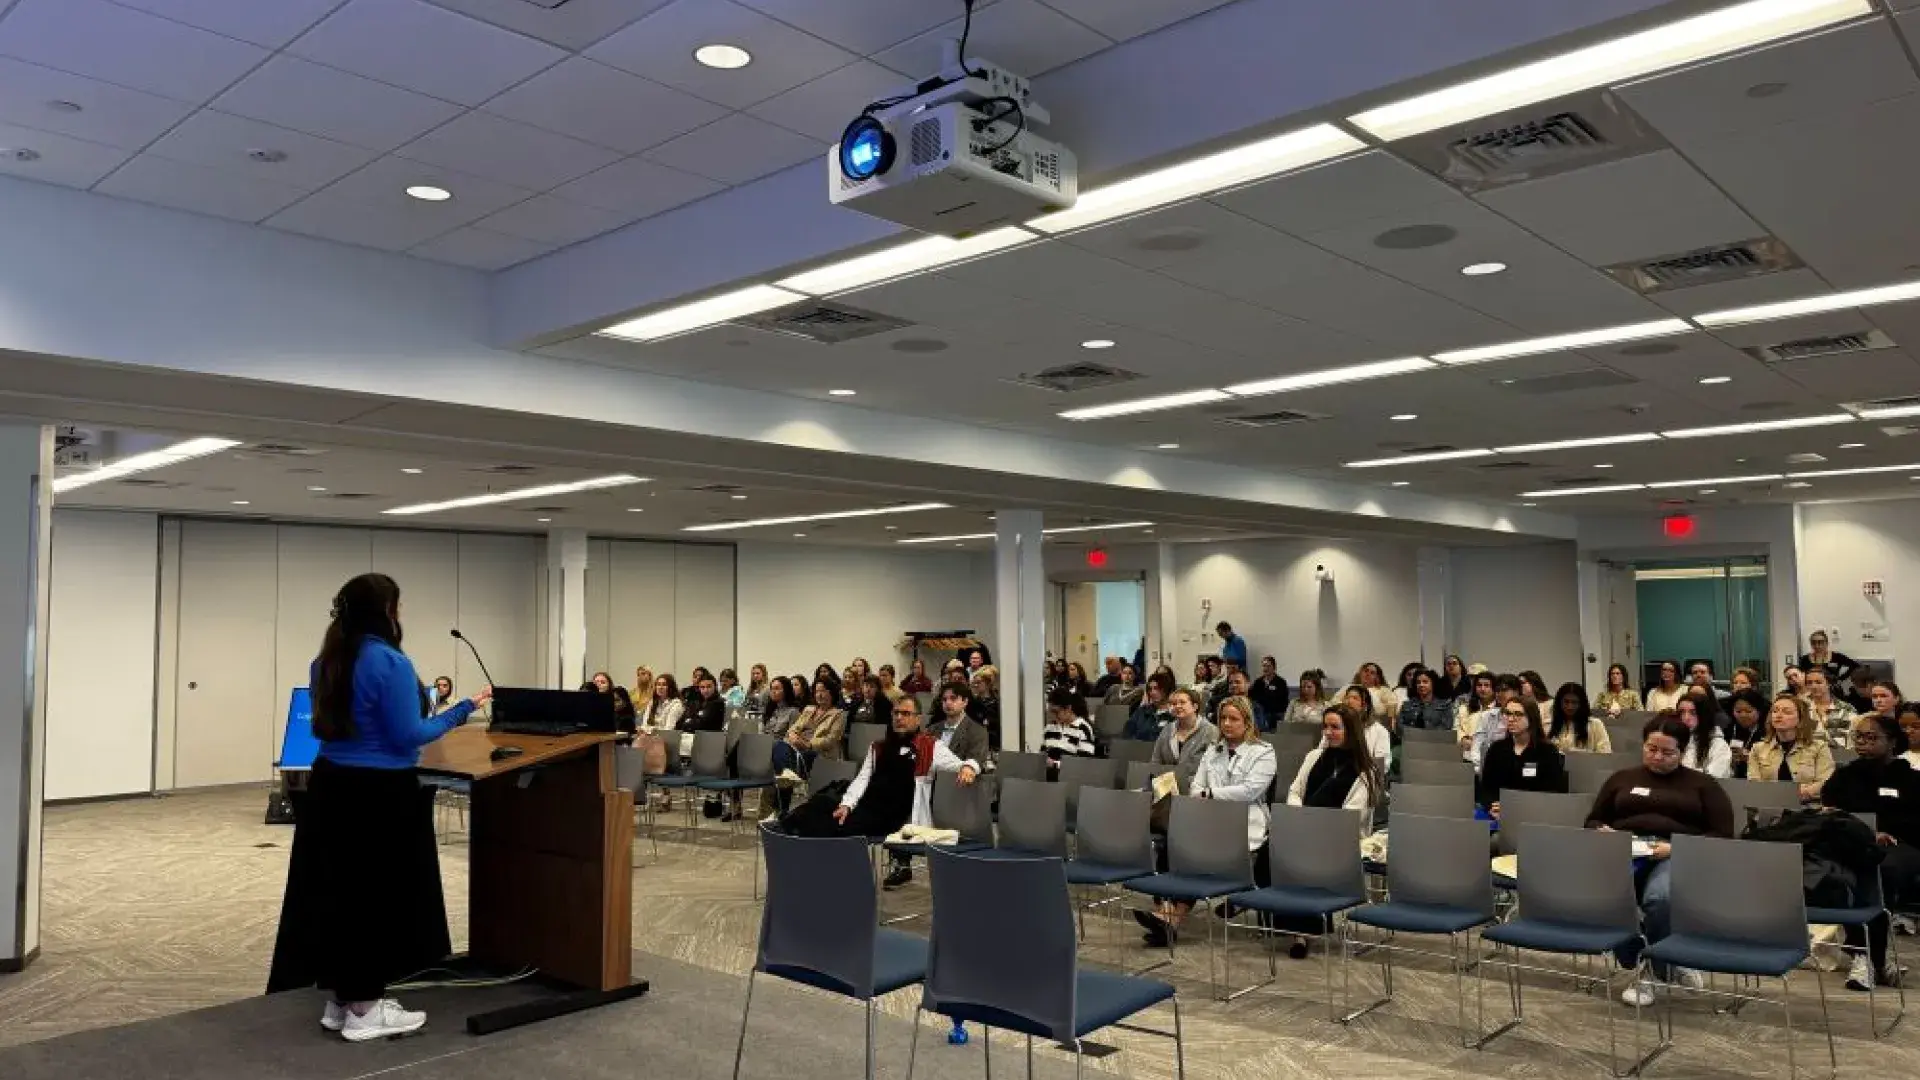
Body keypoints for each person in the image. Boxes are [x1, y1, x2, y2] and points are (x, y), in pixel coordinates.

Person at [270, 573, 491, 1042]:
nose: (400, 615)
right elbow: (409, 735)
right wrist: (462, 709)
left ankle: (343, 998)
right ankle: (366, 1009)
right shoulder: (388, 661)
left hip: (331, 787)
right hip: (378, 794)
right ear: (386, 611)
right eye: (398, 606)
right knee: (375, 900)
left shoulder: (325, 660)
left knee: (339, 895)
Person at [1588, 715, 1733, 1005]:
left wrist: (1676, 847)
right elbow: (1593, 819)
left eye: (1668, 752)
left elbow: (1722, 835)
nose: (1657, 757)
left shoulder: (1703, 785)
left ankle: (1654, 972)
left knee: (1660, 898)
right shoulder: (1622, 778)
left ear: (1682, 752)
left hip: (1675, 853)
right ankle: (1657, 960)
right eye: (1651, 749)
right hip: (1625, 851)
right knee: (1601, 894)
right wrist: (1602, 832)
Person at [1135, 695, 1273, 948]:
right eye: (1223, 718)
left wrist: (1211, 795)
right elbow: (1198, 783)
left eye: (1234, 719)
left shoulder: (1263, 752)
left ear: (1247, 722)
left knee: (1196, 856)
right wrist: (1202, 794)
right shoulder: (1214, 750)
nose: (1227, 724)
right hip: (1210, 820)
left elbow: (1249, 790)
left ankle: (1169, 920)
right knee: (1172, 848)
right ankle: (1167, 917)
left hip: (1244, 824)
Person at [834, 694, 982, 890]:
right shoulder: (878, 747)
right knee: (829, 816)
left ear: (918, 718)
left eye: (906, 713)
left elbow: (961, 764)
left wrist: (969, 767)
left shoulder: (930, 746)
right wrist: (847, 804)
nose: (899, 718)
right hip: (870, 807)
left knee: (839, 829)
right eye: (896, 713)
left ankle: (855, 880)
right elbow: (862, 779)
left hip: (902, 815)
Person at [1820, 712, 1920, 991]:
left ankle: (1866, 957)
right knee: (1845, 870)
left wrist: (1886, 833)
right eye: (1859, 737)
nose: (1863, 743)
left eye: (1871, 737)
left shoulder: (1910, 779)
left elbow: (1914, 820)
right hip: (1854, 843)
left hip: (1900, 846)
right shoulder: (1845, 775)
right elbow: (1831, 810)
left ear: (1891, 742)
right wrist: (1867, 833)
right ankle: (1872, 958)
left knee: (1880, 871)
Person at [1479, 698, 1568, 812]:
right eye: (1508, 713)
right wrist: (1492, 807)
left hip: (1533, 813)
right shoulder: (1497, 748)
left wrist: (1514, 808)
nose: (1511, 719)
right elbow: (1486, 788)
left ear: (1531, 718)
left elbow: (1551, 792)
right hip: (1498, 812)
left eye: (1518, 714)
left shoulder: (1547, 751)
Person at [1745, 692, 1833, 802]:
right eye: (1775, 711)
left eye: (1787, 712)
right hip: (1770, 808)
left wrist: (1799, 794)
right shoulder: (1757, 749)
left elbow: (1825, 782)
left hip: (1808, 809)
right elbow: (1753, 785)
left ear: (1800, 719)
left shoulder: (1819, 747)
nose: (1779, 715)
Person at [1150, 687, 1218, 794]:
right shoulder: (1167, 730)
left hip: (1196, 790)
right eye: (1174, 703)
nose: (1177, 706)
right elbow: (1155, 761)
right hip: (1165, 787)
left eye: (1182, 702)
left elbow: (1213, 771)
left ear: (1195, 706)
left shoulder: (1210, 732)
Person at [927, 681, 993, 775]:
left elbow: (976, 760)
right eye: (944, 699)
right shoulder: (932, 729)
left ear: (965, 702)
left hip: (959, 783)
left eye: (953, 698)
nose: (948, 703)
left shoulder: (978, 731)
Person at [1464, 674, 1523, 769]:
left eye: (1504, 690)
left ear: (1516, 692)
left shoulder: (1525, 716)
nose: (1499, 694)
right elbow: (1476, 747)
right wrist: (1484, 767)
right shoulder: (1487, 716)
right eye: (1497, 690)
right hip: (1488, 767)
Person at [1673, 693, 1731, 778]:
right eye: (1681, 712)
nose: (1686, 718)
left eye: (1693, 713)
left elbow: (1713, 778)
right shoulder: (1672, 739)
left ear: (1704, 715)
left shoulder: (1718, 744)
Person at [1337, 684, 1392, 774]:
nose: (1349, 701)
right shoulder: (1335, 726)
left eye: (1355, 698)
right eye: (1347, 697)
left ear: (1365, 705)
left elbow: (1383, 764)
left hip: (1365, 777)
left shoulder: (1379, 731)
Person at [1544, 682, 1611, 754]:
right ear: (1559, 703)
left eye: (1574, 702)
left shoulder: (1595, 724)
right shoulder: (1547, 725)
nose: (1570, 707)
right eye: (1566, 702)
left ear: (1581, 704)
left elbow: (1605, 753)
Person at [1040, 688, 1099, 769]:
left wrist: (1055, 764)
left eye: (1056, 712)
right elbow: (1042, 754)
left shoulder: (1083, 728)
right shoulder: (1050, 728)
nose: (1053, 715)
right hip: (1047, 774)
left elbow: (1084, 763)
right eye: (1051, 712)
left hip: (1070, 776)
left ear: (1068, 709)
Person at [1805, 667, 1857, 747]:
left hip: (1840, 756)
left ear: (1828, 684)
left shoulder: (1846, 709)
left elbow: (1851, 739)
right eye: (1809, 683)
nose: (1813, 686)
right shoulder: (1801, 708)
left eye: (1818, 682)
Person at [1722, 689, 1767, 777]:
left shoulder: (1767, 732)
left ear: (1759, 711)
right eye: (1738, 711)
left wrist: (1750, 757)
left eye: (1748, 711)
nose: (1743, 715)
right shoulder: (1728, 729)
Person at [1126, 674, 1174, 742]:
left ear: (1166, 689)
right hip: (1139, 749)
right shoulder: (1142, 711)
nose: (1152, 692)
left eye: (1156, 688)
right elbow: (1127, 733)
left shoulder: (1174, 714)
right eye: (1150, 689)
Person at [1453, 671, 1498, 742]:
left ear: (1494, 688)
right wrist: (1463, 738)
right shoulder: (1465, 708)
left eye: (1486, 685)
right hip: (1467, 749)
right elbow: (1457, 728)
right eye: (1479, 685)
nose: (1482, 689)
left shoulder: (1500, 709)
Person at [968, 667, 1002, 749]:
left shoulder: (997, 702)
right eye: (974, 682)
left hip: (993, 743)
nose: (975, 685)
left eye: (979, 682)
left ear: (988, 683)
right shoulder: (971, 702)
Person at [1249, 656, 1289, 721]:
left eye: (1268, 666)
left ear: (1274, 668)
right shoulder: (1258, 682)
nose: (1266, 668)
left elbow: (1283, 702)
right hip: (1260, 713)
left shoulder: (1281, 682)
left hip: (1275, 714)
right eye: (1264, 666)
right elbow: (1252, 697)